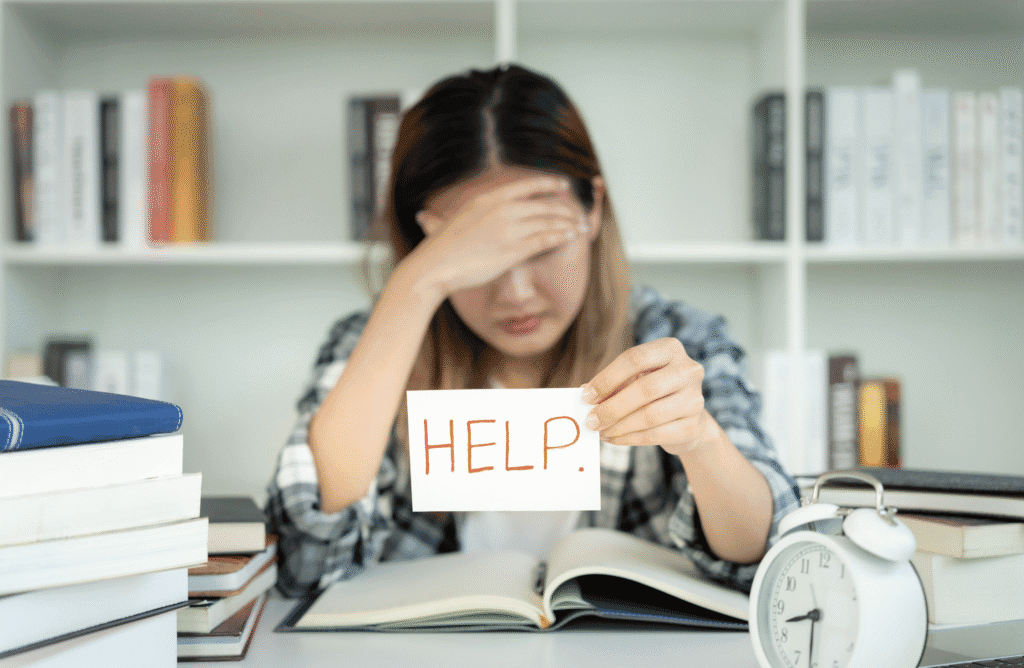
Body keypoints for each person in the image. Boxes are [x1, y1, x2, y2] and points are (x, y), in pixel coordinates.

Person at [265, 63, 800, 598]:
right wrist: (416, 284)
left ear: (593, 209)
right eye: (475, 257)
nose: (516, 293)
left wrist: (701, 439)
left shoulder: (679, 336)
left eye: (543, 247)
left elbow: (766, 557)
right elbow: (307, 560)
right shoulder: (373, 343)